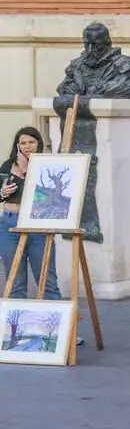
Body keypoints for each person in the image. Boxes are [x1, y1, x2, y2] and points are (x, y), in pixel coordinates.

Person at [0, 127, 61, 300]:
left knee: (46, 279)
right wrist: (2, 192)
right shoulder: (7, 165)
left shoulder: (48, 166)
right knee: (14, 281)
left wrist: (26, 169)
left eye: (31, 142)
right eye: (23, 143)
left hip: (37, 224)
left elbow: (47, 196)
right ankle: (17, 325)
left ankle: (55, 325)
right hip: (9, 225)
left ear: (39, 143)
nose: (27, 146)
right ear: (17, 146)